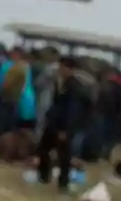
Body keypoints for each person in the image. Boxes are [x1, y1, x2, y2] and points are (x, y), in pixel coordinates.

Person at [36, 57, 86, 191]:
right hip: (54, 123)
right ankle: (44, 176)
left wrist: (65, 130)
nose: (60, 69)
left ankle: (63, 183)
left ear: (69, 69)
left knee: (64, 156)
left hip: (63, 126)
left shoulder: (74, 87)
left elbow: (72, 110)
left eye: (62, 67)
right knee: (43, 149)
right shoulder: (61, 82)